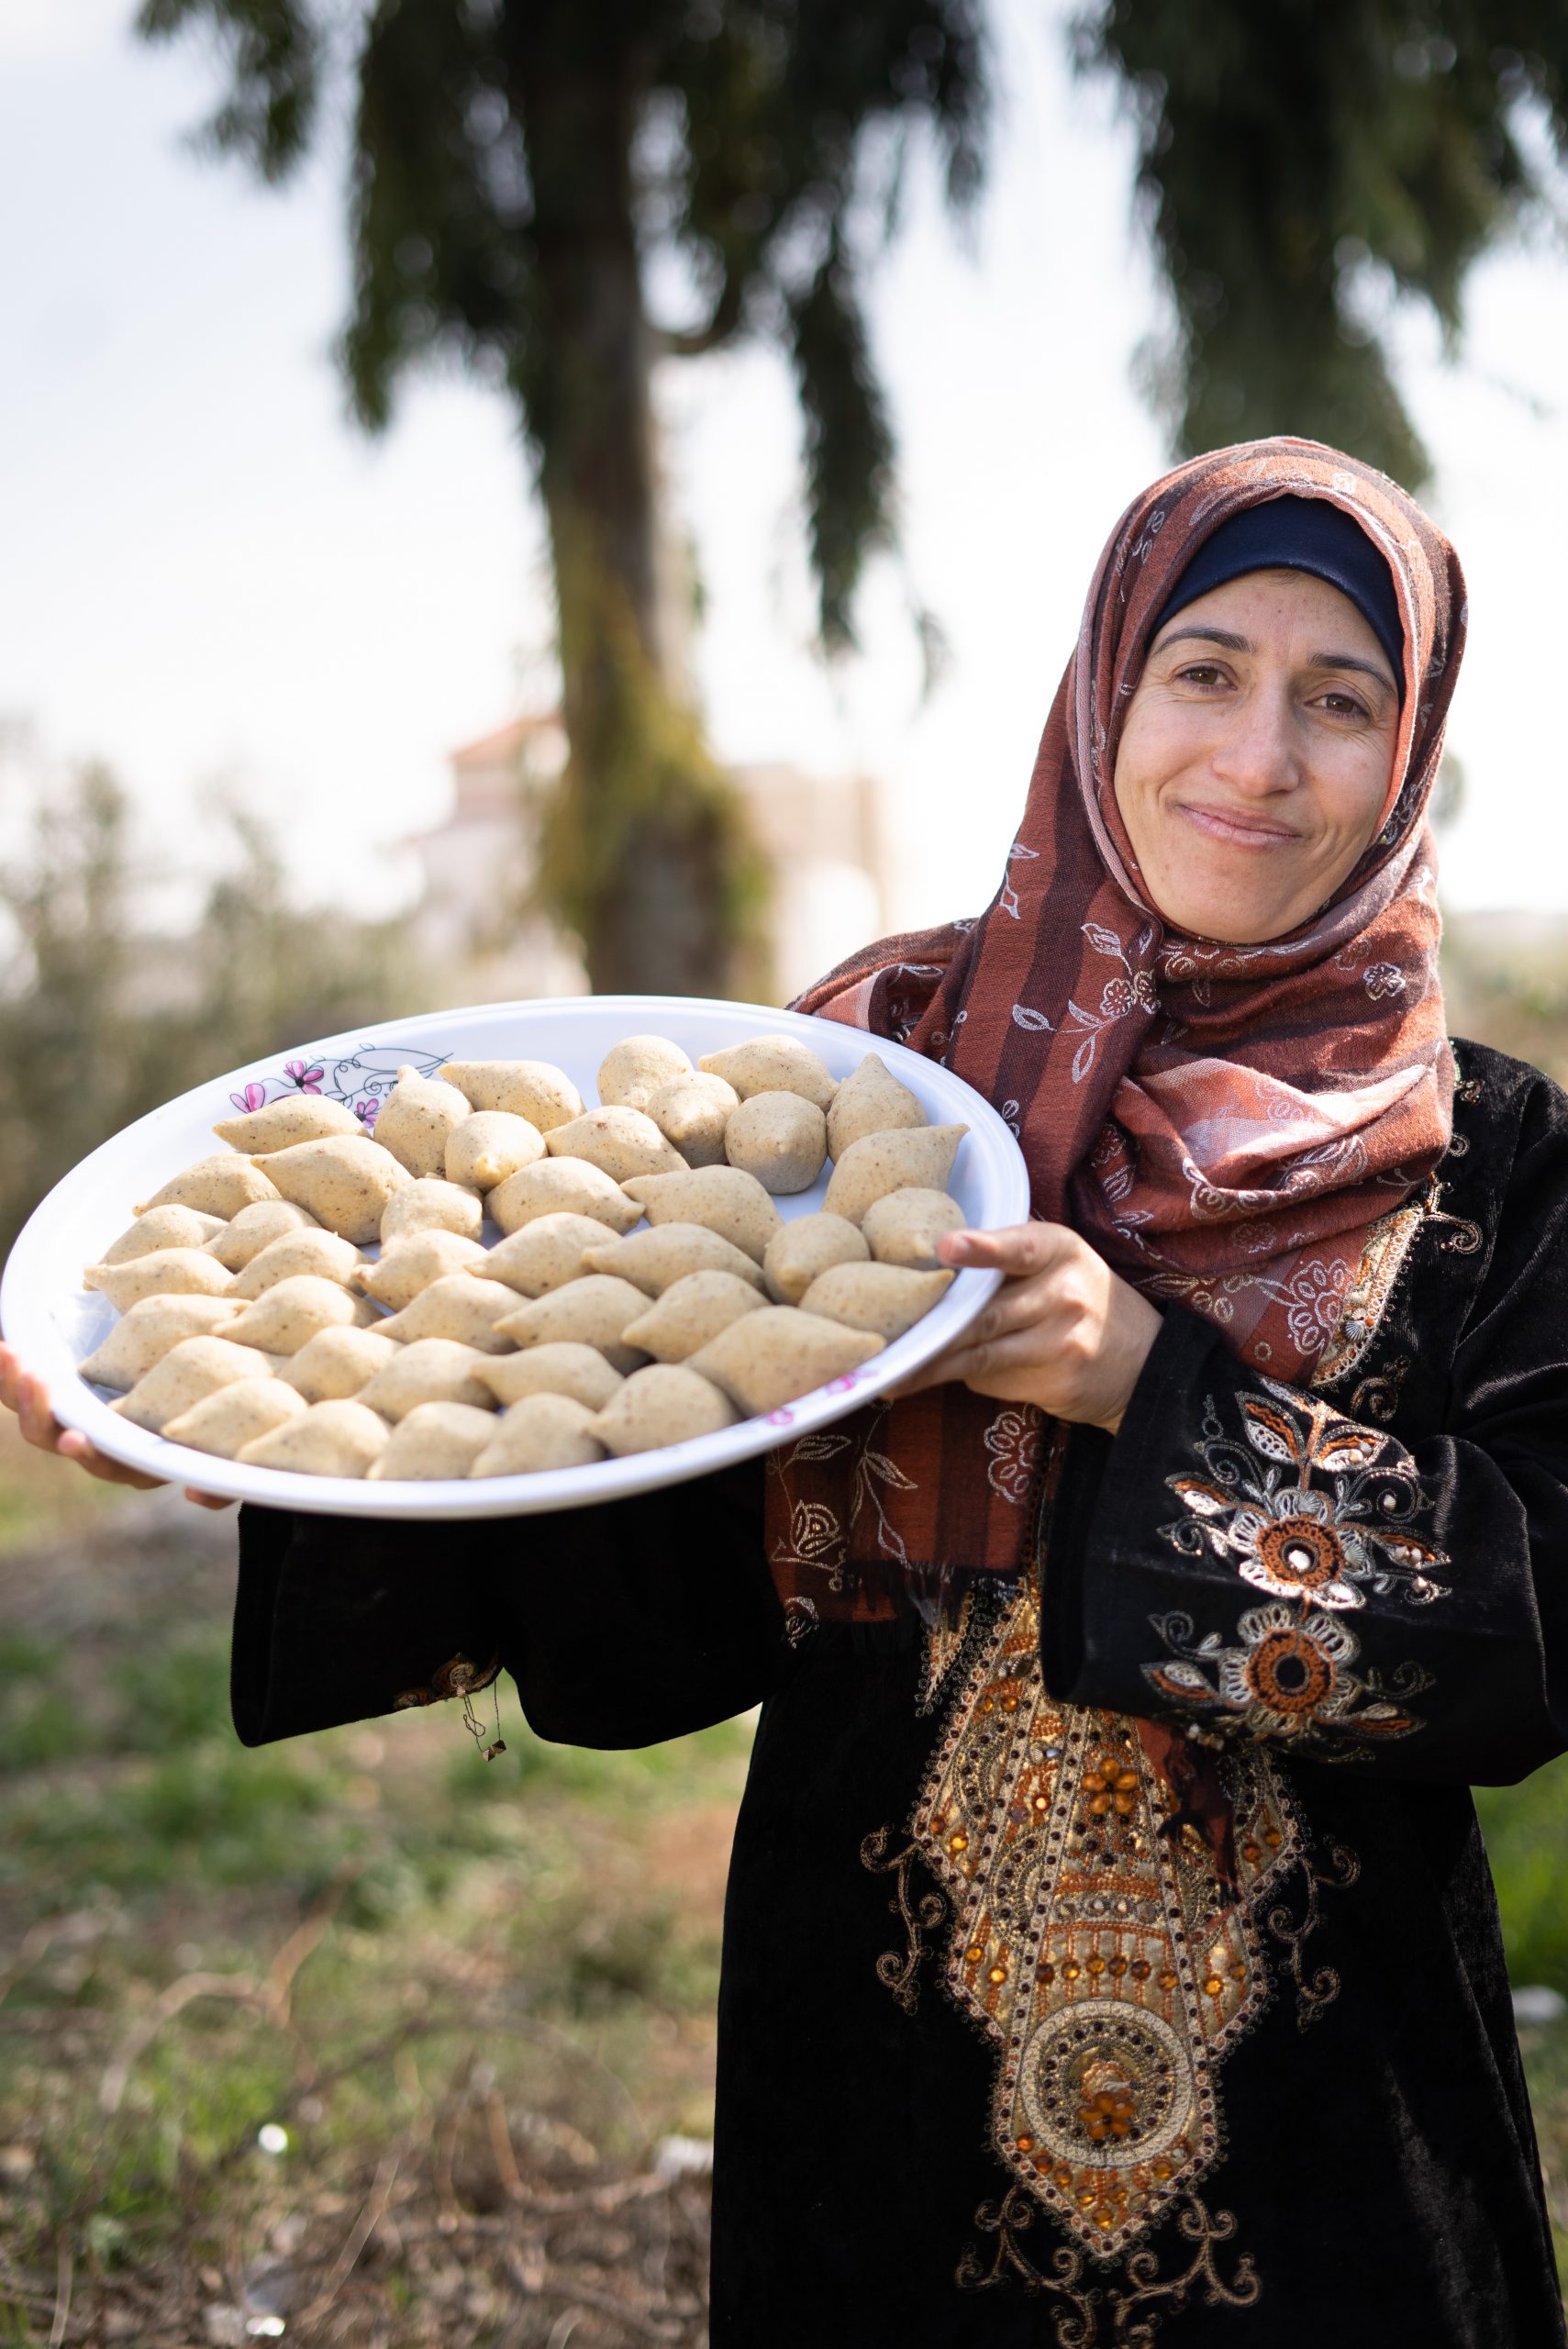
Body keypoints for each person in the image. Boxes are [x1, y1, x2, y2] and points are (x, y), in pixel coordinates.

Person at [6, 434, 1568, 2347]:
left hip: (1332, 2159)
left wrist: (1159, 1390)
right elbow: (650, 1514)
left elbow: (1534, 1627)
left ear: (1410, 754)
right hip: (885, 2113)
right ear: (1106, 694)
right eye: (1206, 671)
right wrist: (282, 1440)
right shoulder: (876, 1084)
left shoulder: (1485, 1162)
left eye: (1343, 701)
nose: (1260, 755)